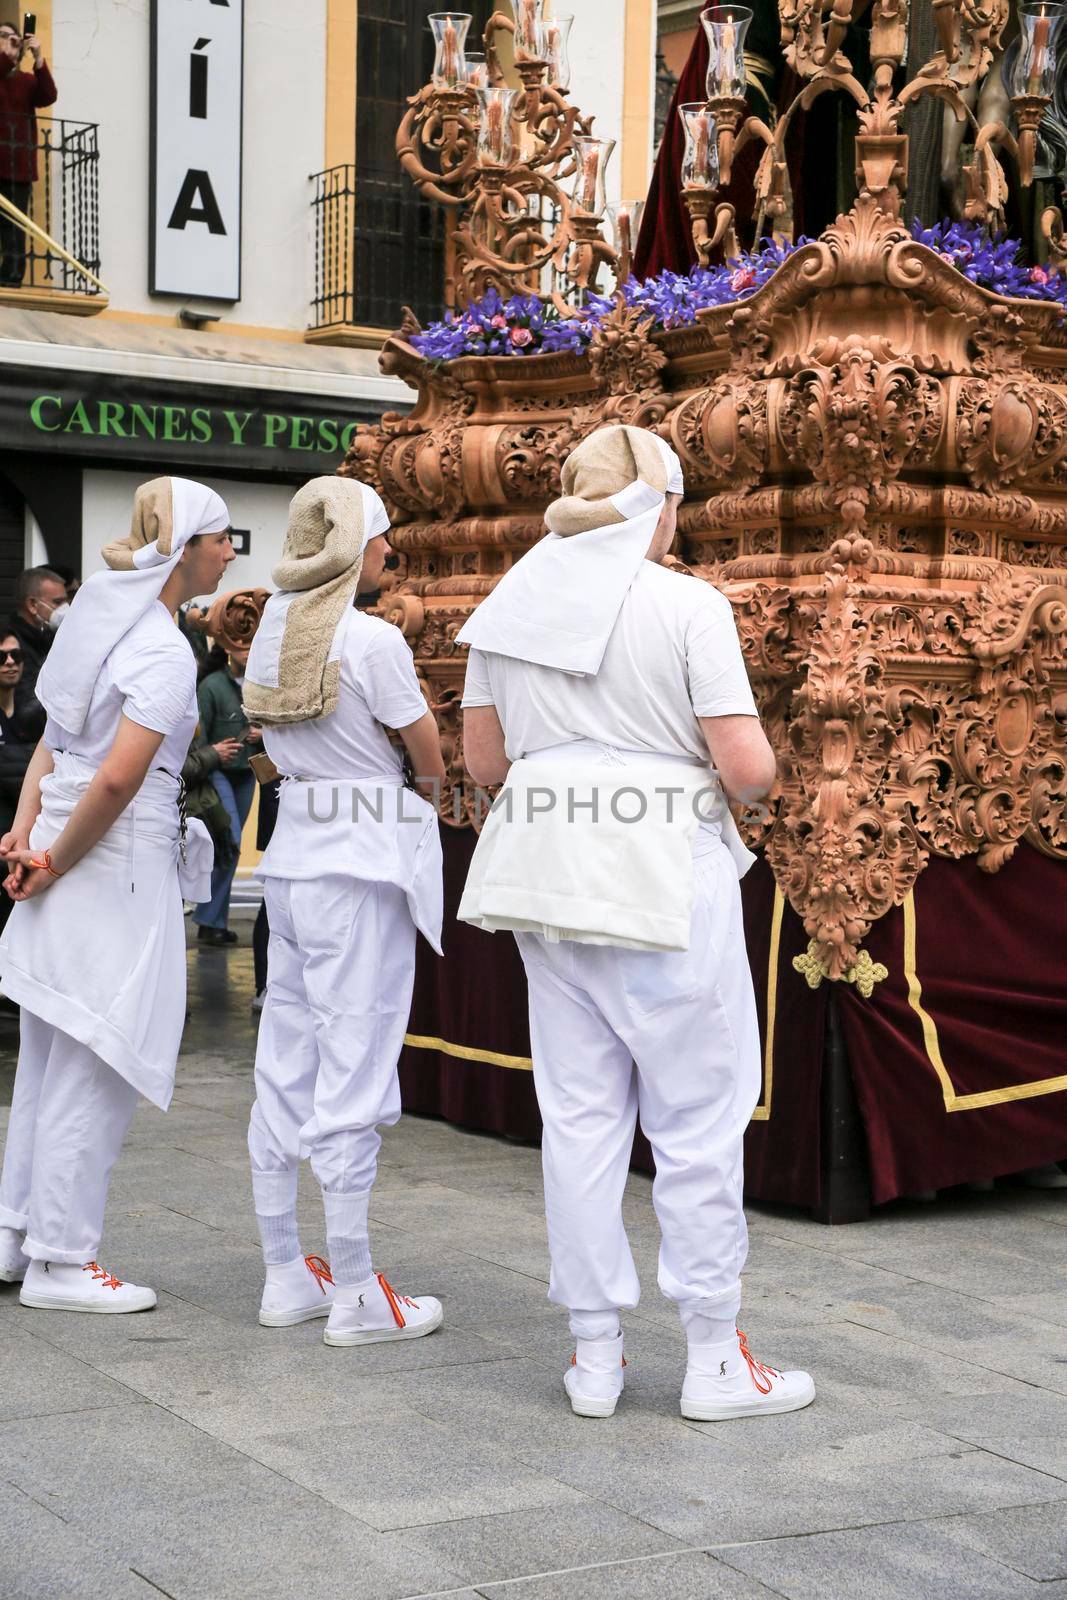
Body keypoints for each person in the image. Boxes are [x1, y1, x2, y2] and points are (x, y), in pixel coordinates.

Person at [458, 424, 815, 1422]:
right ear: (654, 505)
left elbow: (482, 764)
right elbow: (744, 767)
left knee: (577, 1115)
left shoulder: (508, 602)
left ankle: (592, 1353)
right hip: (660, 860)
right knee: (696, 1114)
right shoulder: (683, 601)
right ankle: (710, 1357)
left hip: (543, 864)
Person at [0, 477, 234, 1310]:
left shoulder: (100, 628)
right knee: (96, 1053)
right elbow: (118, 779)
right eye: (221, 538)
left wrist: (28, 835)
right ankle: (63, 1260)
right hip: (106, 860)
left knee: (52, 1053)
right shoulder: (162, 650)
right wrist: (53, 855)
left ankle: (18, 1233)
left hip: (65, 850)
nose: (231, 551)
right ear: (185, 550)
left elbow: (51, 747)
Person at [242, 475, 446, 1345]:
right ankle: (356, 1289)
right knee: (354, 1067)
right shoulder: (368, 639)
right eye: (382, 539)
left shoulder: (269, 634)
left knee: (285, 1063)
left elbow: (274, 754)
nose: (388, 553)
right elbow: (422, 742)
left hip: (292, 861)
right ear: (358, 545)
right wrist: (428, 795)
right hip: (357, 865)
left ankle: (287, 1271)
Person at [193, 643, 261, 946]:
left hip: (247, 773)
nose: (247, 651)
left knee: (228, 849)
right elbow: (197, 737)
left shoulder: (261, 684)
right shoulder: (211, 686)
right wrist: (214, 753)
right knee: (230, 842)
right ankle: (208, 919)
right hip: (217, 773)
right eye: (240, 645)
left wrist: (265, 734)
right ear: (226, 647)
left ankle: (214, 922)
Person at [0, 20, 56, 288]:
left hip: (17, 166)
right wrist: (5, 59)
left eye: (14, 38)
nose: (9, 41)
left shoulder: (26, 82)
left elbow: (48, 95)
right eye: (2, 36)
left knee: (14, 225)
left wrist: (38, 57)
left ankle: (11, 276)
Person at [0, 629, 43, 953]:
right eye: (2, 657)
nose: (11, 662)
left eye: (17, 655)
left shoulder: (32, 710)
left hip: (26, 831)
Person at [8, 566, 67, 698]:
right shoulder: (11, 647)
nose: (65, 608)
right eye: (58, 602)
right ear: (33, 605)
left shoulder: (51, 638)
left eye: (66, 601)